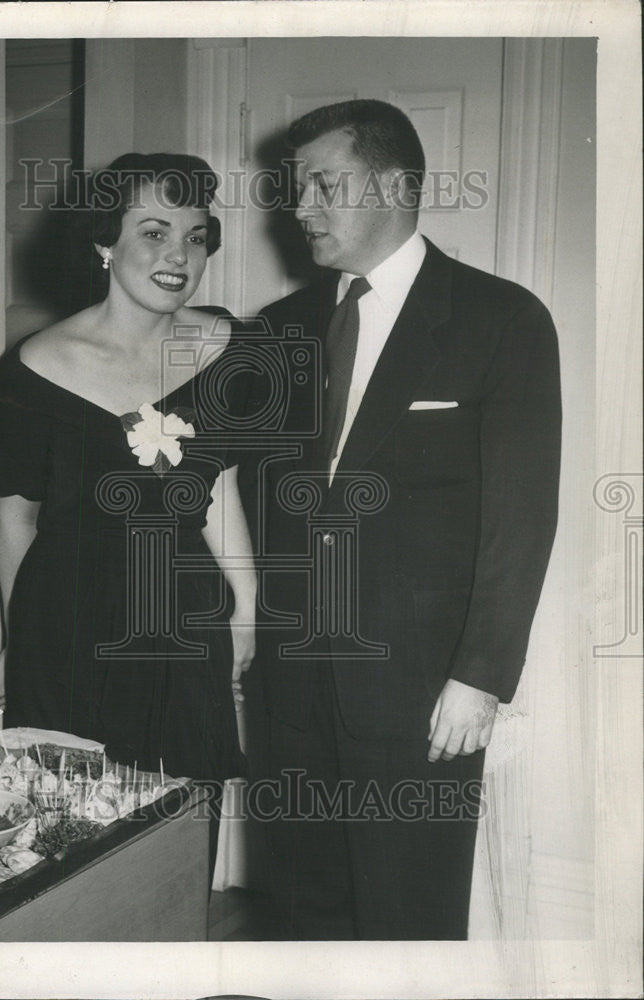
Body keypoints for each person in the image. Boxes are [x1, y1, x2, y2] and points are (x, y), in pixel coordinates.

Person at [247, 100, 561, 939]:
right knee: (303, 916)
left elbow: (521, 517)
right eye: (294, 187)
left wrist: (481, 677)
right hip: (292, 688)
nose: (301, 207)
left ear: (394, 183)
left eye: (324, 183)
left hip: (422, 691)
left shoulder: (503, 319)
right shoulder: (276, 333)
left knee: (407, 918)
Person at [0, 154, 256, 862]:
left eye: (197, 235)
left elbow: (220, 490)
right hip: (69, 622)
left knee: (181, 828)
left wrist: (247, 604)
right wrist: (15, 647)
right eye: (153, 232)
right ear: (104, 243)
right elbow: (15, 525)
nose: (179, 255)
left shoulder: (228, 350)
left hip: (184, 619)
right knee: (74, 831)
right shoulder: (30, 373)